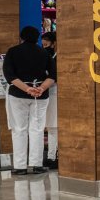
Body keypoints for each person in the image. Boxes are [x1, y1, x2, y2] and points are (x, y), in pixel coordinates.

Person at [2, 26, 54, 176]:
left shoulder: (13, 51)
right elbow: (53, 75)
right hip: (40, 96)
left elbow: (9, 75)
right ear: (38, 38)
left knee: (19, 129)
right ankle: (37, 165)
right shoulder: (44, 53)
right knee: (37, 129)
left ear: (21, 37)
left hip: (18, 94)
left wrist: (27, 88)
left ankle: (20, 166)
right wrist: (40, 88)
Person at [40, 31, 58, 170]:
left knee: (53, 126)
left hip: (54, 92)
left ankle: (53, 156)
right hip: (48, 92)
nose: (44, 44)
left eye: (46, 41)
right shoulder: (49, 55)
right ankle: (51, 156)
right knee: (51, 126)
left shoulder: (55, 57)